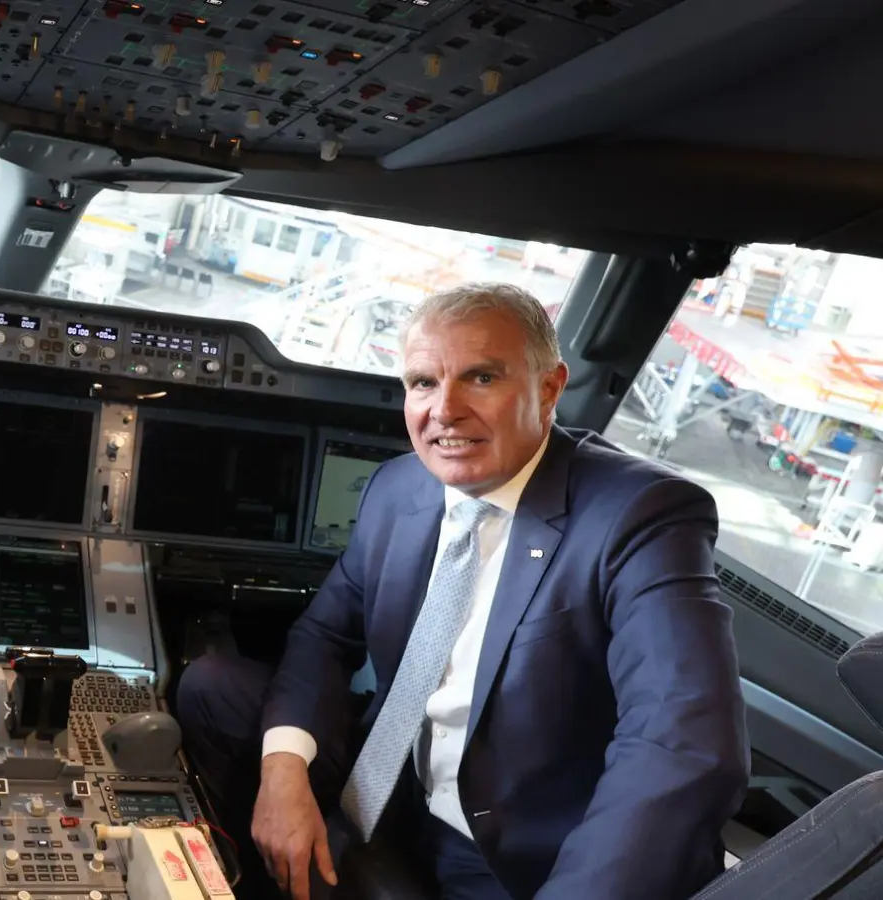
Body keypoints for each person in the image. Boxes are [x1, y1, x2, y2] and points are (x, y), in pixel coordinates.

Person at [177, 283, 749, 900]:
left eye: (481, 378)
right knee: (214, 688)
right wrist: (283, 772)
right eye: (423, 382)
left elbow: (683, 744)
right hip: (401, 776)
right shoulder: (399, 489)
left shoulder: (639, 515)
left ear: (549, 389)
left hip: (517, 843)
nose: (444, 410)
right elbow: (324, 634)